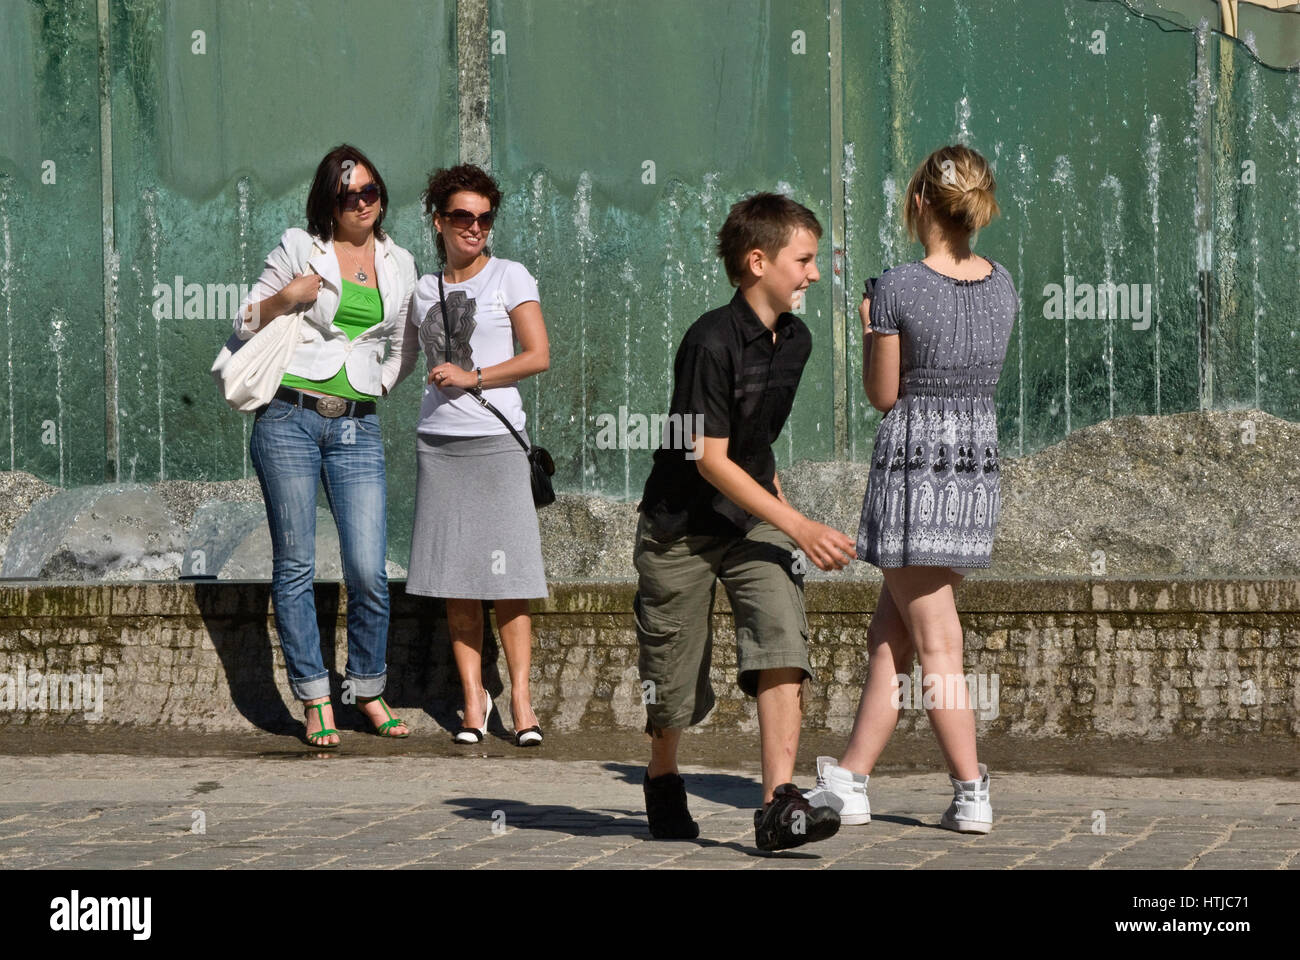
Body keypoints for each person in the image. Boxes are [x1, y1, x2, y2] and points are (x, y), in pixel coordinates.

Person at [633, 192, 857, 852]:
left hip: (749, 519)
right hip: (679, 526)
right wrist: (803, 525)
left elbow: (755, 443)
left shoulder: (798, 340)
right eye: (805, 259)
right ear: (758, 262)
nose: (815, 273)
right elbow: (706, 458)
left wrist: (782, 527)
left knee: (781, 635)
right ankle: (663, 772)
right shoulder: (708, 342)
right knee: (672, 688)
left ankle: (777, 805)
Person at [805, 144, 1016, 833]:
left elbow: (883, 393)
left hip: (916, 469)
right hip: (973, 467)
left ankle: (971, 789)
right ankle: (855, 777)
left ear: (920, 202)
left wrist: (871, 331)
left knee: (936, 642)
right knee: (890, 634)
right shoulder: (1003, 282)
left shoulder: (897, 285)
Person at [235, 144, 419, 747]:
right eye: (348, 196)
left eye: (370, 191)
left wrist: (381, 384)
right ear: (329, 203)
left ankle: (367, 687)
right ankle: (315, 697)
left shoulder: (400, 262)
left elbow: (404, 344)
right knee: (296, 565)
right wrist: (287, 298)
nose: (362, 203)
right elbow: (242, 321)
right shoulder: (298, 247)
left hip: (357, 425)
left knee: (368, 567)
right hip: (288, 417)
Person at [402, 164, 551, 747]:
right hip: (439, 446)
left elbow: (538, 355)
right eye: (462, 216)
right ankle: (473, 700)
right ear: (439, 221)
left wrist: (474, 377)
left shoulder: (510, 277)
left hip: (496, 445)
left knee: (509, 578)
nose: (475, 227)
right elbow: (401, 361)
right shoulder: (421, 290)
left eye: (485, 218)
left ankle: (520, 699)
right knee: (457, 581)